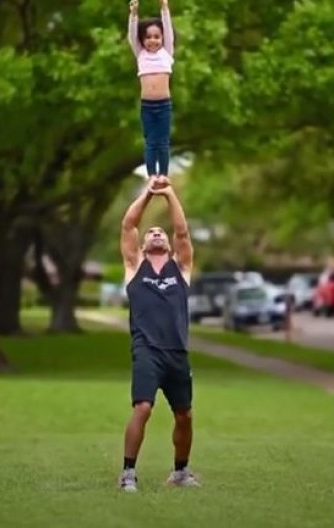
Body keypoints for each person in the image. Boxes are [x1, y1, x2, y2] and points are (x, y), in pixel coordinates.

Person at [118, 177, 200, 492]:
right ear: (142, 245)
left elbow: (182, 231)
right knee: (143, 407)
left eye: (160, 232)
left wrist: (169, 194)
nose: (156, 233)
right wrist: (148, 193)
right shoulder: (134, 265)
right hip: (147, 350)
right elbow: (128, 225)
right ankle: (127, 473)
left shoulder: (181, 268)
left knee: (185, 415)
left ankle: (180, 473)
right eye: (151, 232)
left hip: (177, 352)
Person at [127, 0, 175, 181]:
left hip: (163, 105)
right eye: (148, 37)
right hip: (147, 105)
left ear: (162, 38)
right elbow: (132, 35)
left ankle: (163, 174)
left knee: (162, 143)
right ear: (142, 40)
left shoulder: (167, 53)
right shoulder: (141, 54)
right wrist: (133, 14)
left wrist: (164, 7)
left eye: (157, 36)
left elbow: (169, 29)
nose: (153, 40)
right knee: (150, 143)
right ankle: (151, 175)